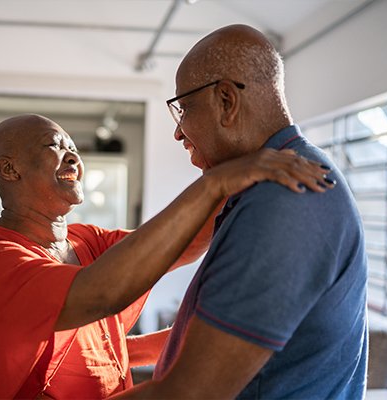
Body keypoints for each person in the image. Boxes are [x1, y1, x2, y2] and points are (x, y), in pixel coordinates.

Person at [0, 113, 331, 399]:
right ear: (9, 169)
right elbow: (101, 294)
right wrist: (215, 182)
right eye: (54, 146)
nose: (72, 156)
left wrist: (185, 337)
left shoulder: (84, 239)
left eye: (72, 147)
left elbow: (174, 246)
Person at [113, 24, 368, 399]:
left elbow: (188, 394)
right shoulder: (268, 183)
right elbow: (228, 333)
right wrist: (116, 351)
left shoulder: (283, 201)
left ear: (227, 102)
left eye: (183, 109)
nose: (178, 133)